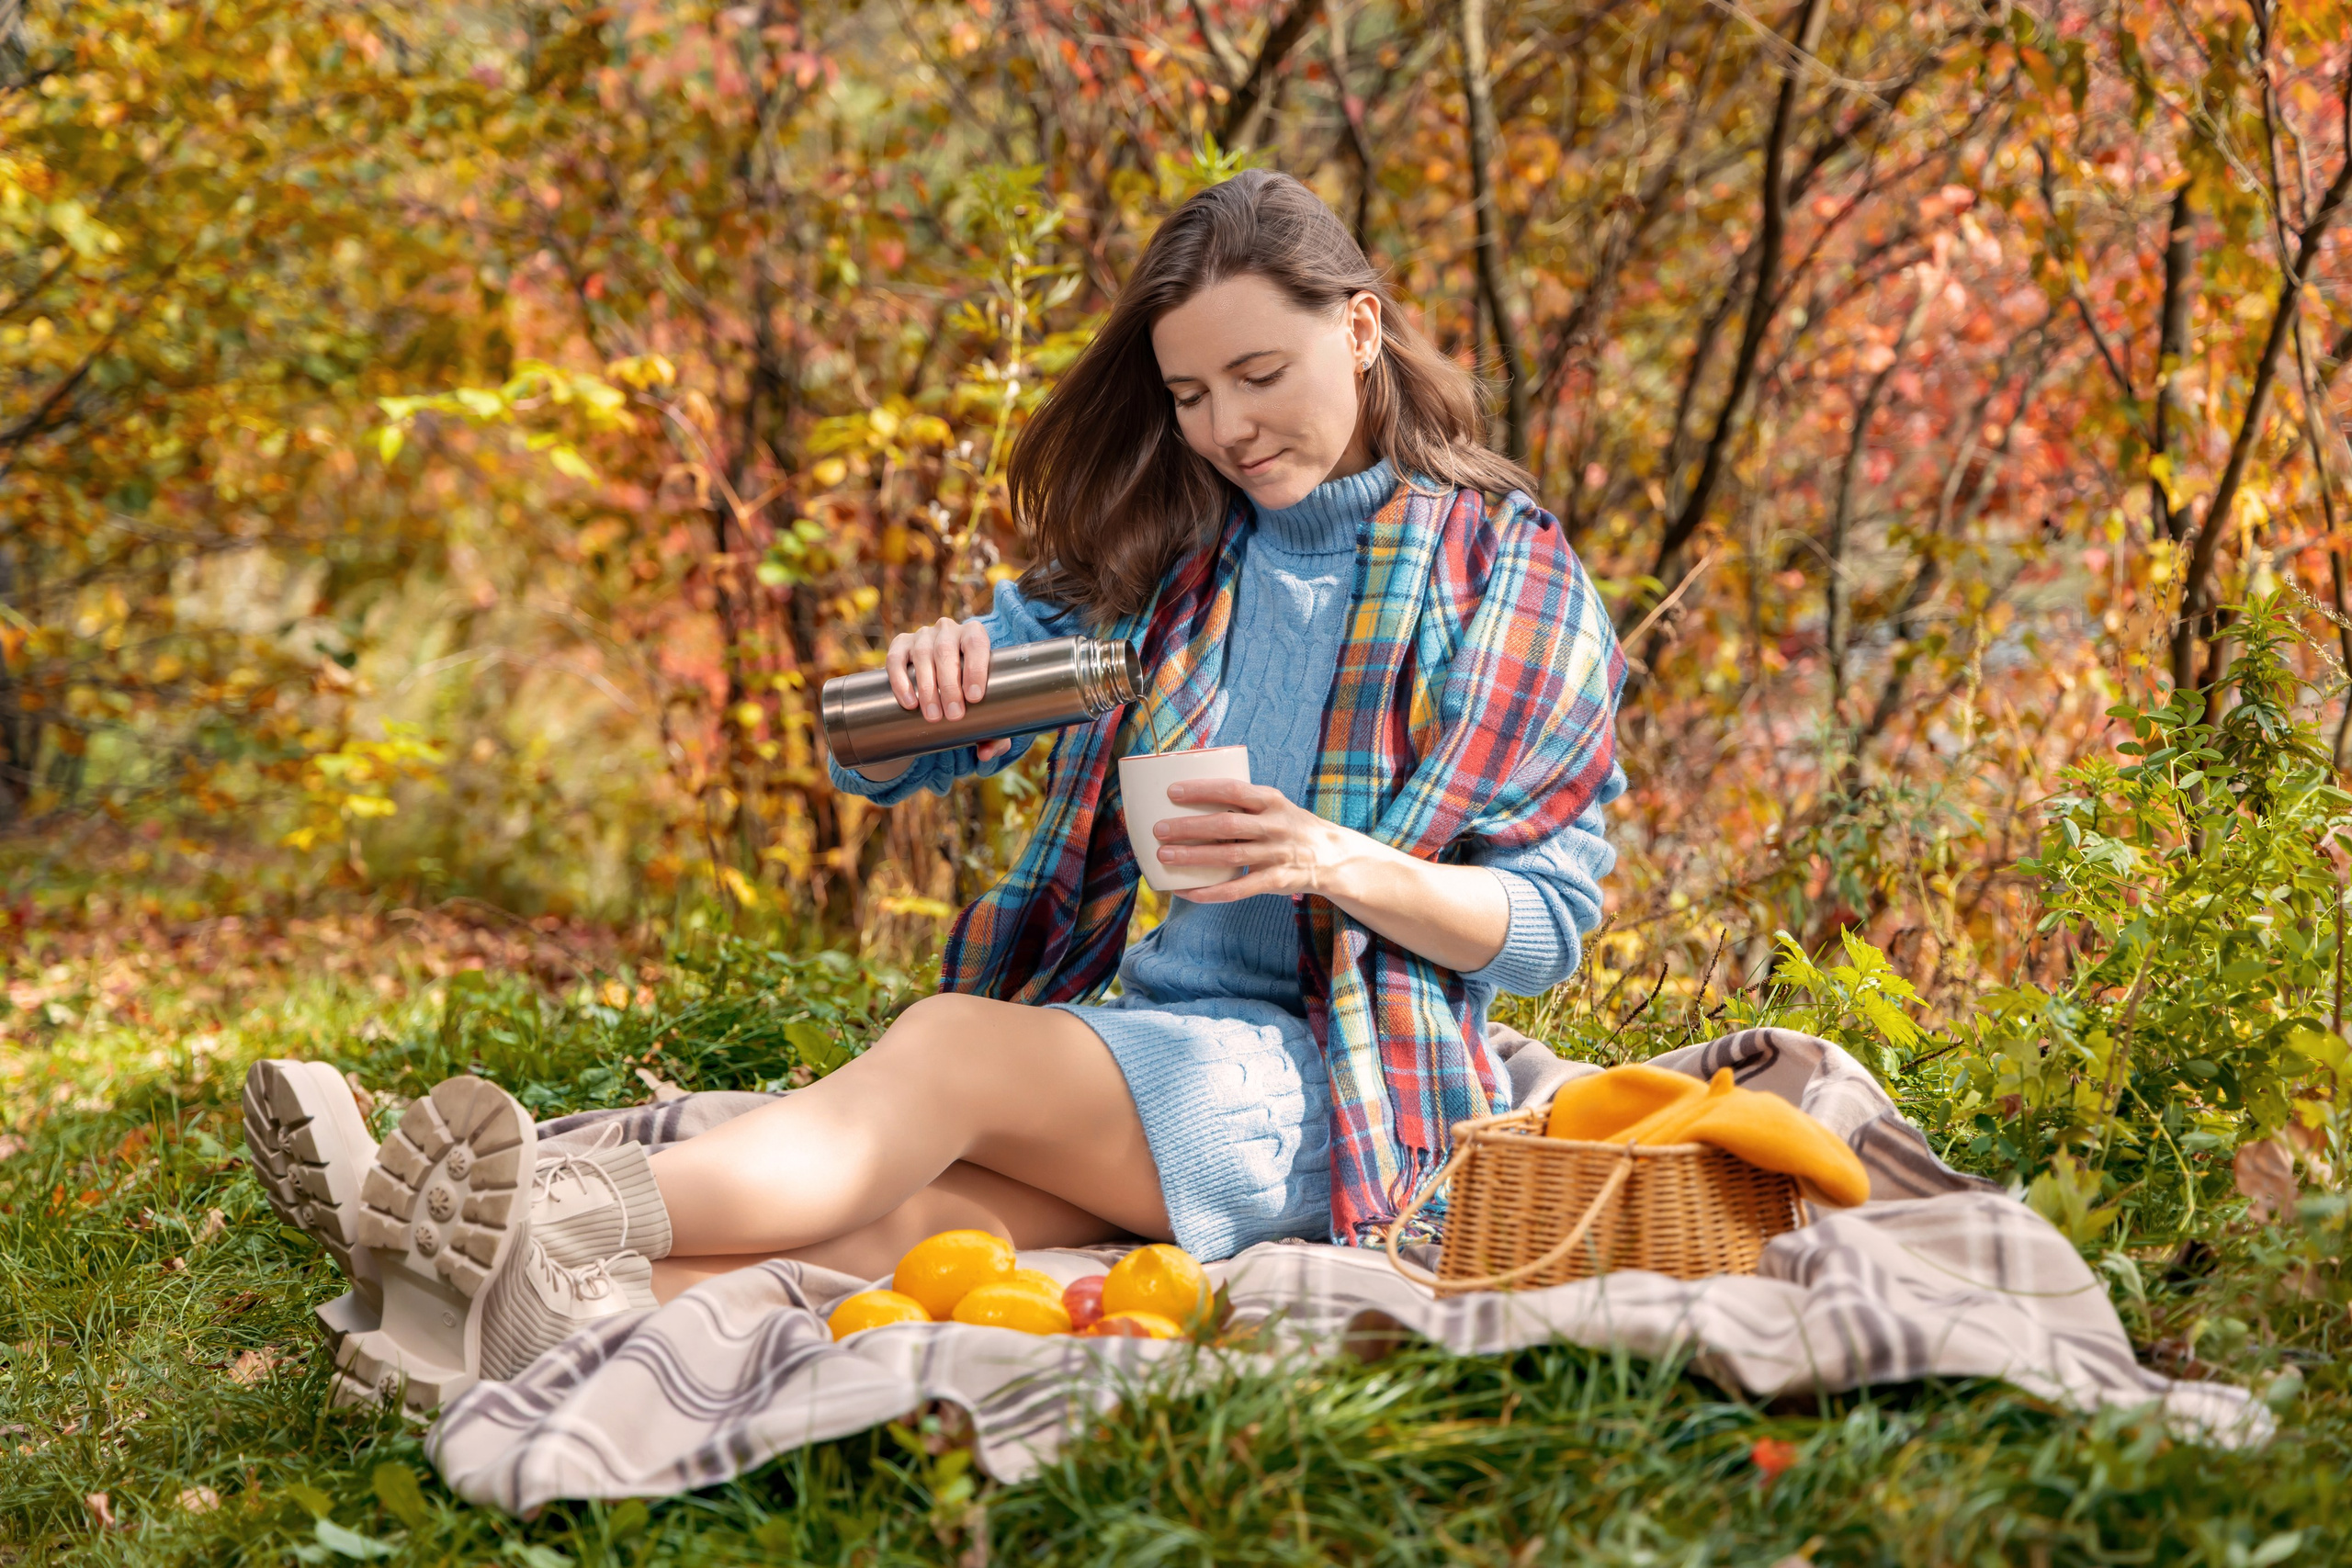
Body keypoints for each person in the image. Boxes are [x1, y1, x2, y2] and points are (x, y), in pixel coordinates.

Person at [241, 169, 1626, 1413]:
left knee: (951, 1052)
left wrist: (1335, 860)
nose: (1227, 429)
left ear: (1364, 329)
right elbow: (877, 753)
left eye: (1260, 374)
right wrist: (928, 689)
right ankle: (502, 1324)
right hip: (1154, 1045)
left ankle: (531, 1207)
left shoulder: (1505, 573)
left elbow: (1548, 923)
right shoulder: (1175, 562)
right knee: (907, 1221)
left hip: (1341, 1084)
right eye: (1191, 397)